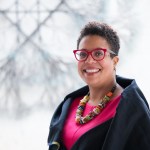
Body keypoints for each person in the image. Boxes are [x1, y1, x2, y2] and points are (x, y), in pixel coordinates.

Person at [47, 21, 150, 150]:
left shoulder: (131, 111)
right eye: (83, 54)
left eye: (98, 53)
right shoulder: (69, 104)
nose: (89, 60)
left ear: (115, 61)